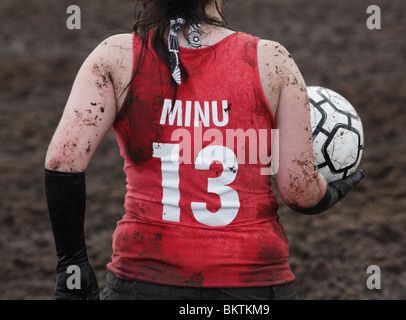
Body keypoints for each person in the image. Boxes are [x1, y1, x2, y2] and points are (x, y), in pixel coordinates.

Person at [44, 0, 365, 300]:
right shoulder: (272, 60)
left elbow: (63, 160)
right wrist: (327, 195)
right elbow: (299, 191)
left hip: (144, 279)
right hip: (252, 283)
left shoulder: (114, 56)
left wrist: (72, 262)